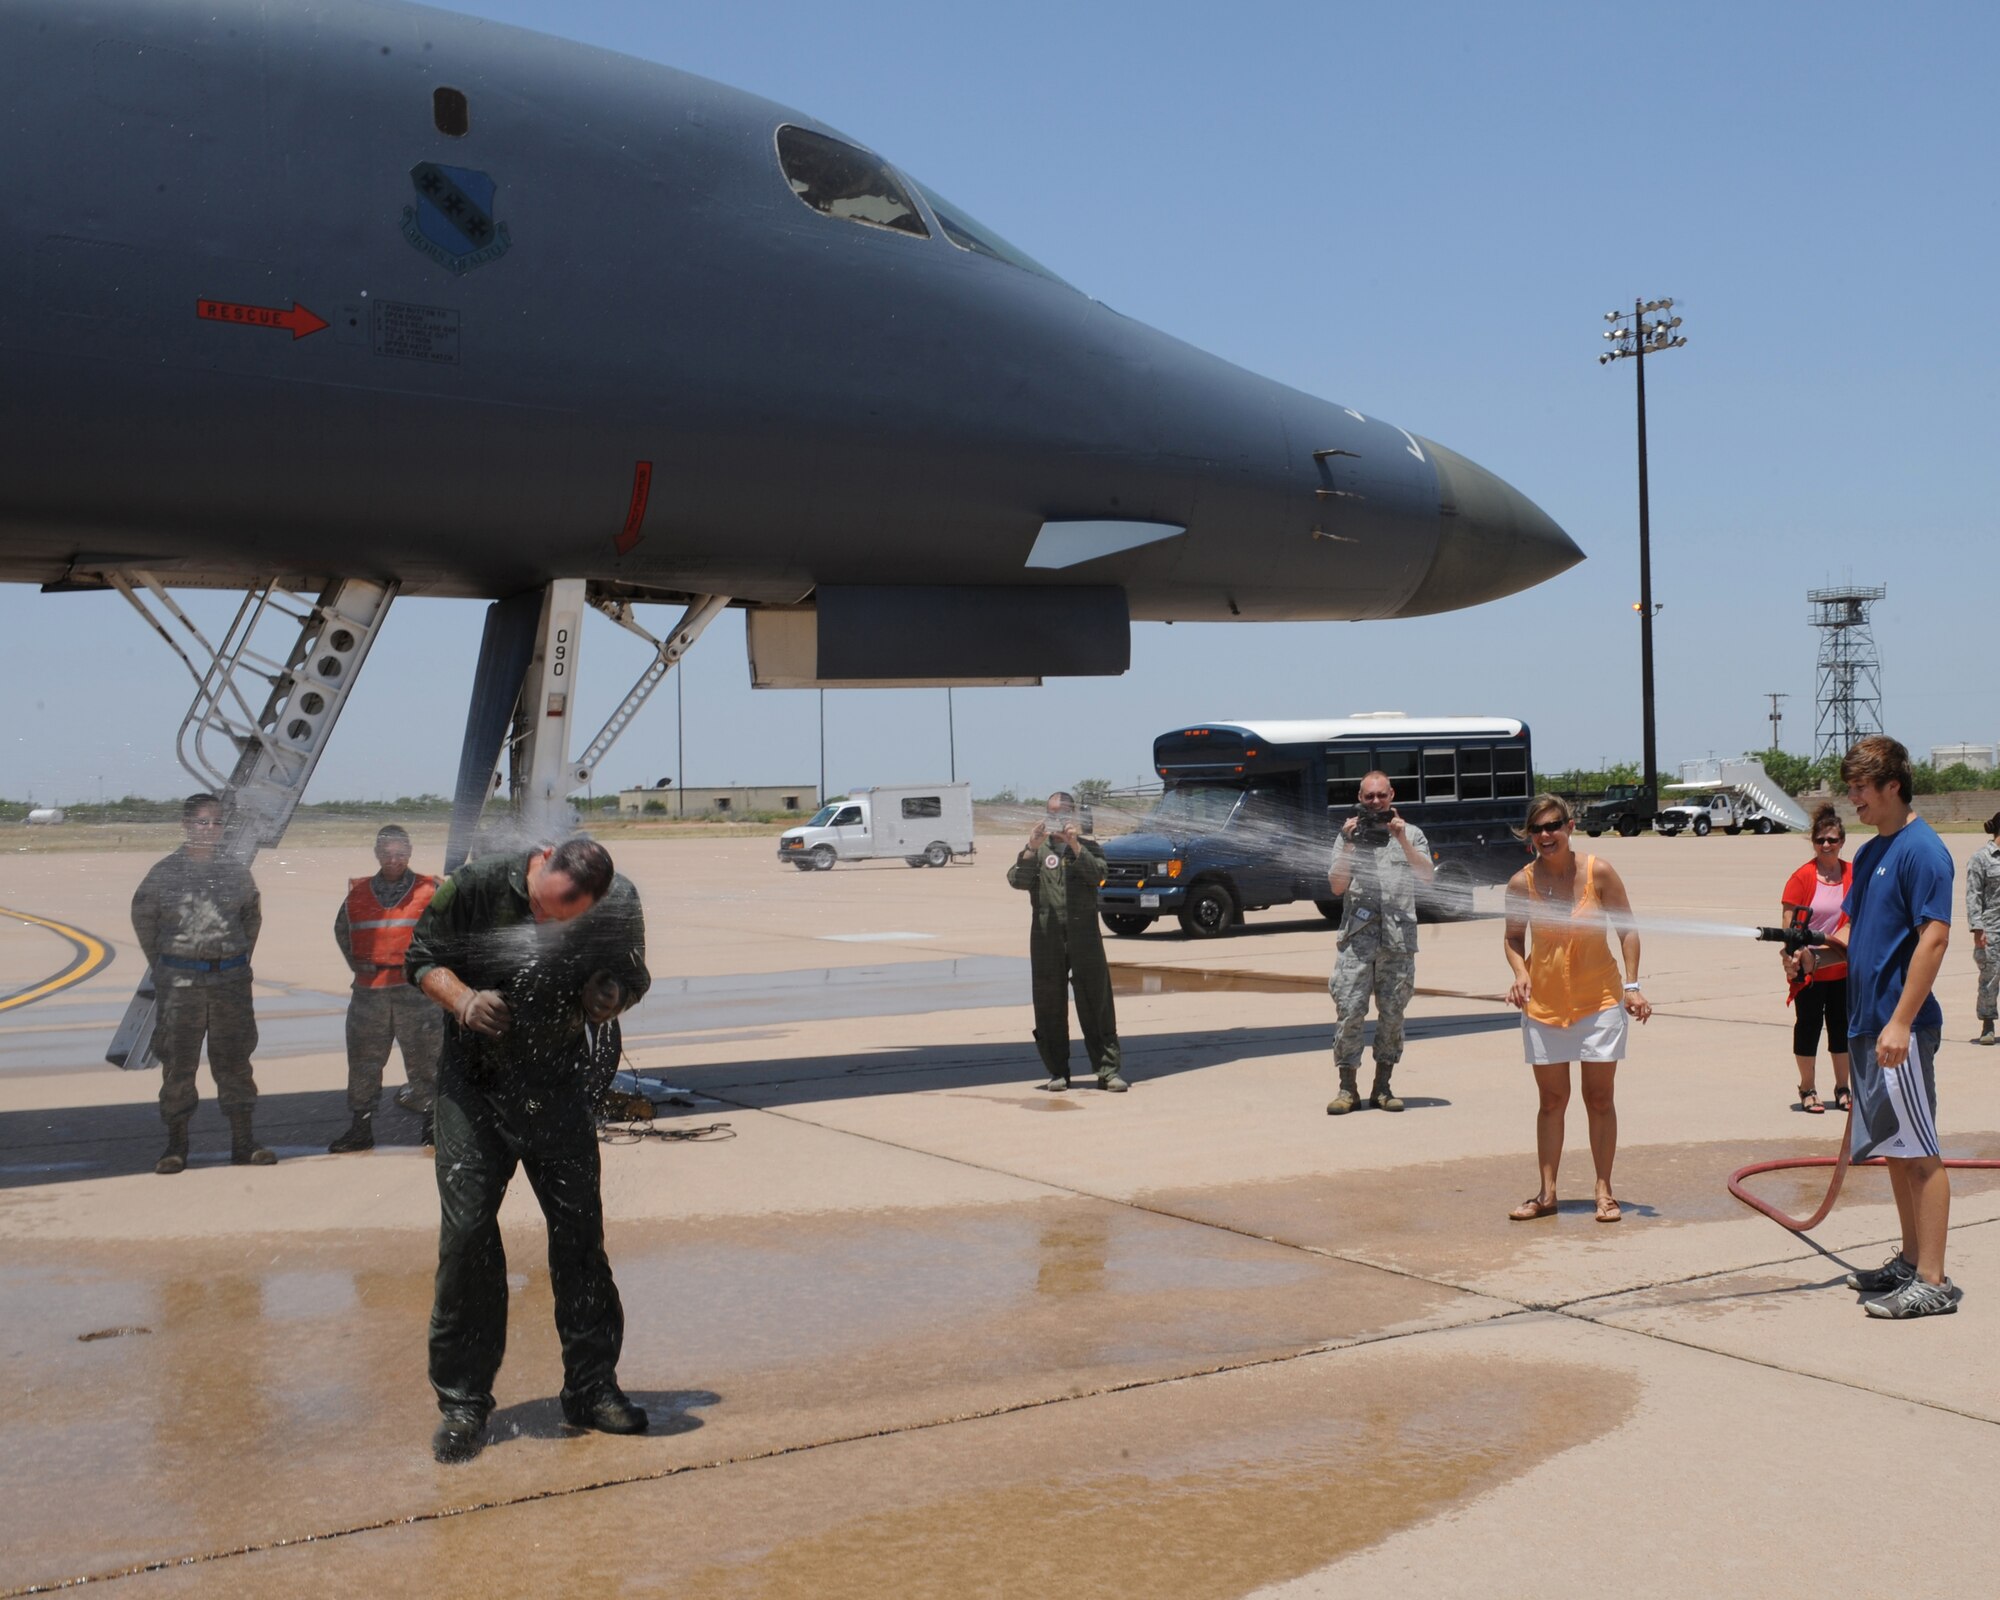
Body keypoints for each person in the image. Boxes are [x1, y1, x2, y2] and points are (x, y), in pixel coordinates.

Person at [405, 836, 653, 1462]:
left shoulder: (619, 901)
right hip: (475, 1090)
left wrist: (611, 997)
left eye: (565, 917)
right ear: (541, 863)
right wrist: (461, 999)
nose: (548, 923)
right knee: (465, 1239)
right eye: (544, 909)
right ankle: (463, 1404)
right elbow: (420, 958)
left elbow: (631, 975)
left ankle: (592, 1388)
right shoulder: (477, 885)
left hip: (558, 1088)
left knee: (580, 1239)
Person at [1788, 737, 1959, 1317]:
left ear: (1892, 787)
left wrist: (1902, 1023)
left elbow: (1934, 939)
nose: (1852, 799)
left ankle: (1932, 1279)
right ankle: (1910, 1262)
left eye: (1861, 788)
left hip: (1897, 1029)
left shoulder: (1923, 851)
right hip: (1869, 1024)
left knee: (1921, 1153)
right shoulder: (1876, 851)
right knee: (1895, 1149)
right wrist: (1816, 956)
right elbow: (1854, 935)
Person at [1501, 793, 1650, 1223]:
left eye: (1554, 826)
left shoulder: (1597, 872)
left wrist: (1632, 986)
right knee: (1552, 1100)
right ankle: (1547, 1195)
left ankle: (1604, 1191)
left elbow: (1627, 931)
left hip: (1599, 1001)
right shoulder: (1520, 883)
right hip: (1544, 1004)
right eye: (1538, 829)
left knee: (1599, 1098)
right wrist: (1520, 972)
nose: (1546, 835)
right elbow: (1513, 939)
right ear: (1530, 835)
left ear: (1569, 826)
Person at [131, 793, 273, 1173]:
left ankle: (244, 1143)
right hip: (181, 984)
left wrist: (232, 960)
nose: (209, 829)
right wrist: (168, 966)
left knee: (235, 1062)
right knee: (178, 1064)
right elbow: (145, 920)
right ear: (186, 825)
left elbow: (250, 919)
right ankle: (176, 1147)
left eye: (215, 823)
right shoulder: (164, 873)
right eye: (201, 822)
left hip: (230, 982)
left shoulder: (235, 872)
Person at [1325, 769, 1434, 1115]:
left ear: (1392, 796)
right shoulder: (1348, 836)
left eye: (1381, 795)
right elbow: (1337, 886)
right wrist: (1350, 844)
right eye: (1368, 796)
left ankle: (1383, 1087)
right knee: (1349, 1012)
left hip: (1397, 942)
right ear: (1360, 798)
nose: (1375, 802)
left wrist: (1401, 839)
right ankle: (1347, 1088)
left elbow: (1428, 877)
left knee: (1392, 1015)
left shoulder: (1412, 835)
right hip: (1357, 943)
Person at [328, 824, 443, 1152]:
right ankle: (360, 1129)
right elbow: (343, 931)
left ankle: (433, 1127)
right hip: (370, 993)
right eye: (387, 853)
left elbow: (450, 932)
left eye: (400, 853)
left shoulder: (431, 889)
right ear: (377, 854)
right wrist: (364, 965)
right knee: (364, 1062)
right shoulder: (358, 893)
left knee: (427, 1061)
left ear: (409, 853)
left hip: (417, 993)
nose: (394, 859)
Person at [1007, 792, 1127, 1092]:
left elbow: (1100, 876)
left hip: (1084, 936)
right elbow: (1017, 881)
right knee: (1049, 1003)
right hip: (1046, 938)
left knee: (1096, 1001)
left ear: (1072, 816)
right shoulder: (1037, 850)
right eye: (1051, 814)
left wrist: (1075, 845)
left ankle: (1107, 1071)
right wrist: (1031, 848)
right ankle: (1057, 1071)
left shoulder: (1087, 848)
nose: (1056, 819)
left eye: (1061, 813)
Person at [1779, 804, 1852, 1114]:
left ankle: (1843, 1087)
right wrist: (1798, 953)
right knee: (1808, 1026)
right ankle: (1808, 1088)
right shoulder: (1802, 877)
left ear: (1842, 842)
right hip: (1809, 968)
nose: (1826, 845)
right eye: (1820, 840)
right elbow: (1788, 927)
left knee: (1842, 1028)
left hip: (1843, 967)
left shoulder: (1853, 874)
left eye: (1832, 840)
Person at [1967, 810, 2000, 1047]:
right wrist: (1978, 928)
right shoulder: (1981, 858)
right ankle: (1987, 1023)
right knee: (1990, 977)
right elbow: (1973, 895)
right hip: (1991, 929)